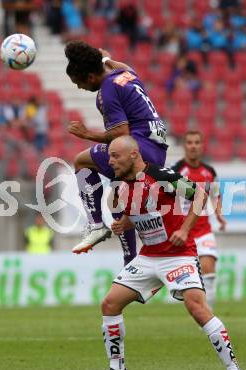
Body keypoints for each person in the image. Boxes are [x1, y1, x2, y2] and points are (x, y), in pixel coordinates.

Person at [88, 135, 246, 370]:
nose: (110, 161)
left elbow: (200, 196)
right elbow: (141, 212)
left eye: (115, 156)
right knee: (109, 304)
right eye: (109, 157)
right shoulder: (121, 183)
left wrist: (184, 230)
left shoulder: (163, 177)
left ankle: (234, 369)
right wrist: (123, 223)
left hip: (177, 256)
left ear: (133, 155)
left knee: (197, 309)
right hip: (148, 257)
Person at [64, 40, 168, 264]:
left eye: (79, 83)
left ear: (90, 77)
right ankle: (130, 260)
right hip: (157, 149)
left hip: (139, 149)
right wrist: (105, 59)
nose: (79, 88)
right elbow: (125, 66)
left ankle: (96, 225)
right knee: (117, 195)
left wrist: (87, 134)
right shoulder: (124, 74)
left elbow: (121, 133)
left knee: (81, 161)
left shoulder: (106, 91)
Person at [171, 130, 226, 309]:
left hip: (203, 231)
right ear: (184, 146)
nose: (193, 146)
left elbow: (216, 195)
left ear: (202, 146)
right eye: (189, 142)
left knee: (209, 273)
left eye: (196, 142)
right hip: (181, 233)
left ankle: (208, 318)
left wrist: (219, 215)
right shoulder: (176, 171)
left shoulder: (209, 172)